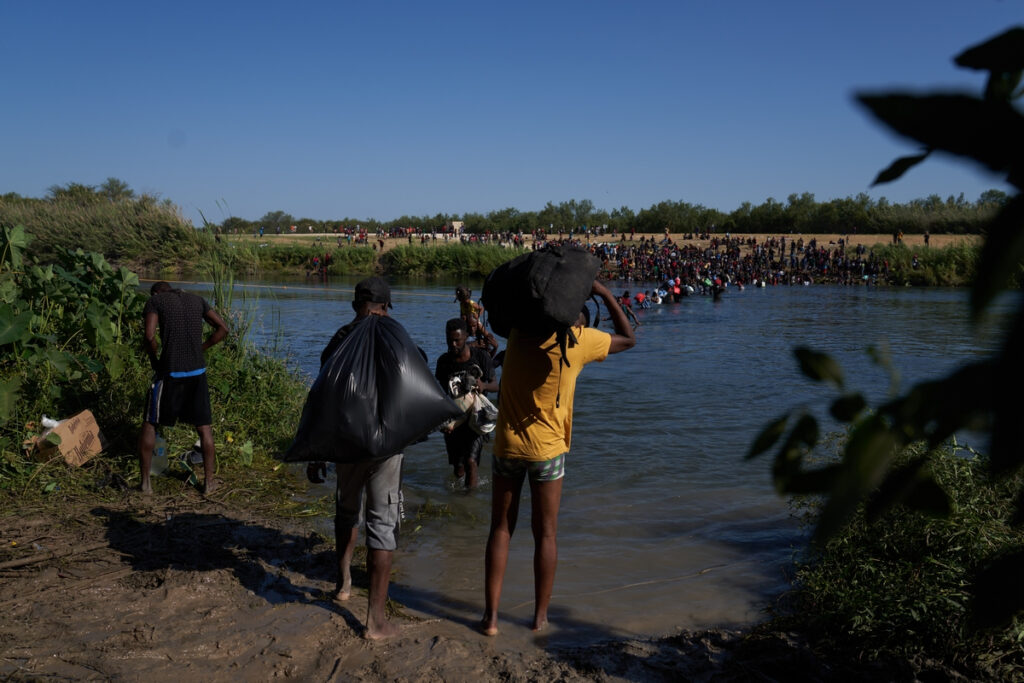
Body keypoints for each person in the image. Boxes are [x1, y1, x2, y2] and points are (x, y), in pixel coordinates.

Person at [481, 279, 635, 635]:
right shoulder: (578, 343)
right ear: (575, 321)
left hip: (507, 445)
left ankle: (490, 620)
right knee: (546, 534)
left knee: (500, 529)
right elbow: (628, 338)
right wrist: (605, 294)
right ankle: (539, 619)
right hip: (547, 451)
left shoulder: (518, 335)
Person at [305, 277, 404, 640]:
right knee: (382, 524)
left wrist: (316, 450)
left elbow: (323, 392)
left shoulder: (341, 337)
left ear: (355, 305)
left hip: (346, 443)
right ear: (386, 306)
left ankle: (344, 583)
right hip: (385, 446)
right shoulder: (395, 334)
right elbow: (416, 375)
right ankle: (375, 621)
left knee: (347, 511)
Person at [138, 281, 228, 495]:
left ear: (157, 292)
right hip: (197, 372)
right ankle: (209, 483)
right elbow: (223, 329)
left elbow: (150, 336)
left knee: (150, 423)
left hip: (170, 372)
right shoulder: (197, 300)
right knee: (204, 427)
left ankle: (145, 485)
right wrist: (201, 348)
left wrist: (154, 359)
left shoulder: (155, 300)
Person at [435, 318, 498, 489]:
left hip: (476, 417)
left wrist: (483, 385)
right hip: (454, 418)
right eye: (449, 340)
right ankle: (458, 499)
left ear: (467, 337)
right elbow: (439, 392)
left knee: (471, 461)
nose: (453, 344)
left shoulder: (481, 357)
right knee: (459, 467)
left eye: (457, 340)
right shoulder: (444, 362)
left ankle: (469, 503)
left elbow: (496, 385)